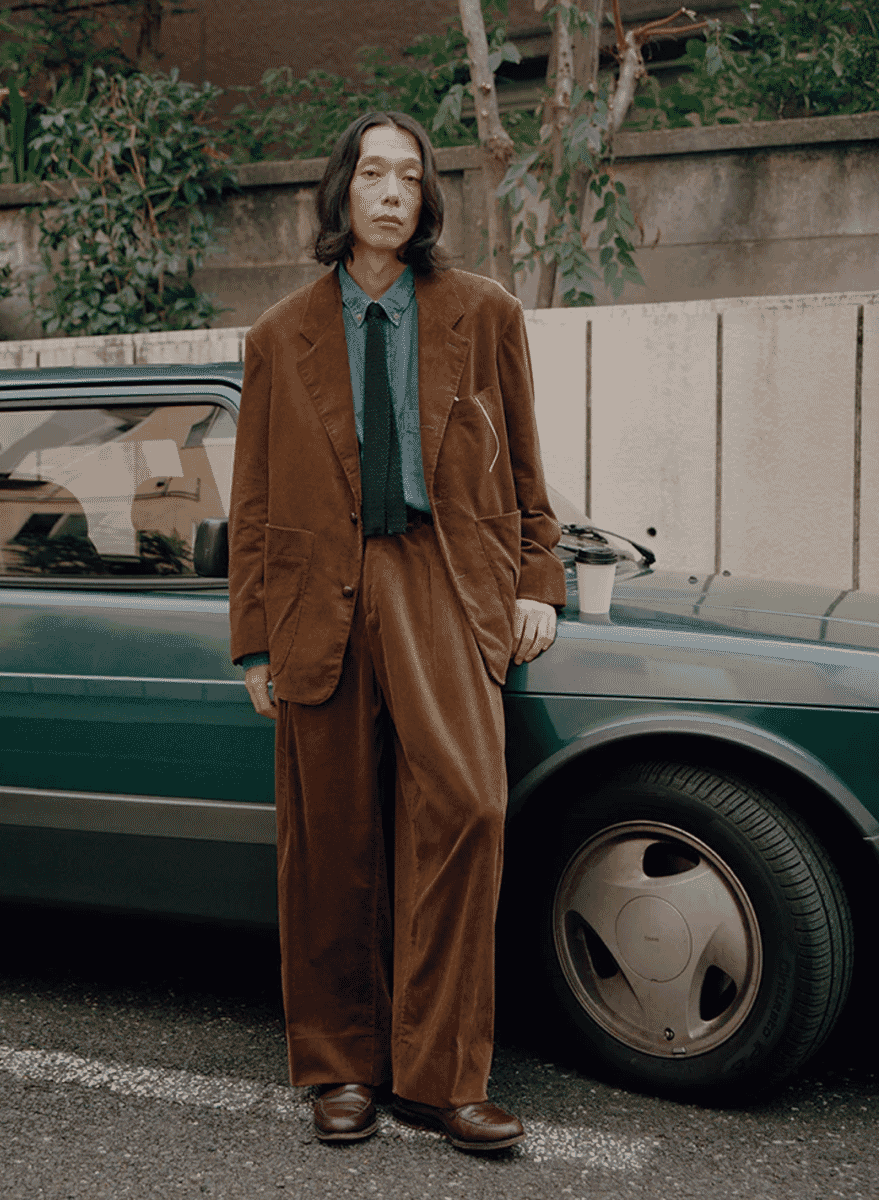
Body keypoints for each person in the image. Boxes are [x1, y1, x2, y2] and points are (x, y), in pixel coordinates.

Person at [228, 110, 566, 1153]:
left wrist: (538, 576)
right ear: (341, 193)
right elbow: (250, 499)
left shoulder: (481, 311)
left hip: (441, 579)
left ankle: (440, 1075)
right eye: (370, 173)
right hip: (317, 594)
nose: (387, 191)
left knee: (465, 809)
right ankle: (338, 1068)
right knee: (329, 842)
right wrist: (251, 639)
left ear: (424, 200)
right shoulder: (278, 335)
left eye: (407, 177)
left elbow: (520, 460)